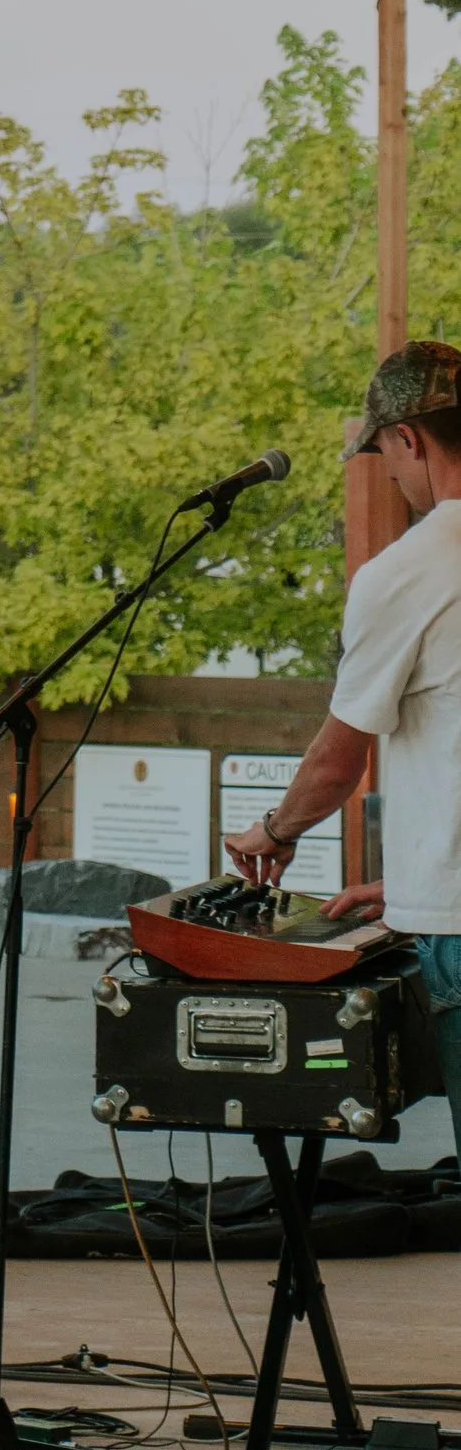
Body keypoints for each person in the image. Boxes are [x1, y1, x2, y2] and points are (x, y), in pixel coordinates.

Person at [224, 341, 461, 1151]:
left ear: (408, 440)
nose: (391, 475)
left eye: (386, 455)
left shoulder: (410, 572)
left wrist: (275, 832)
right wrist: (414, 880)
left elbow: (338, 759)